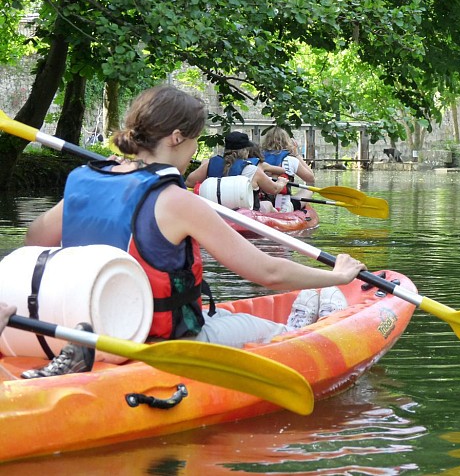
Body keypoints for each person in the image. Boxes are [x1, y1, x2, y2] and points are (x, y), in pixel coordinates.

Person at [21, 85, 365, 378]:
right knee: (284, 335)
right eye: (193, 145)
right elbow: (268, 272)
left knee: (225, 316)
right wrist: (337, 276)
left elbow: (35, 239)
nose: (191, 155)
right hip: (165, 342)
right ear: (176, 138)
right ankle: (301, 320)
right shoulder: (176, 201)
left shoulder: (87, 181)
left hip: (92, 328)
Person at [185, 131, 288, 212]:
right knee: (268, 205)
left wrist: (204, 165)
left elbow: (189, 182)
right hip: (246, 215)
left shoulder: (210, 164)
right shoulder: (252, 169)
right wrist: (281, 182)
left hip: (217, 212)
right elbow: (274, 189)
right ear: (245, 151)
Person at [261, 127, 315, 212]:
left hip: (263, 200)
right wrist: (296, 154)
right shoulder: (290, 159)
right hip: (283, 202)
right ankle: (290, 206)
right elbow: (311, 179)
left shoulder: (259, 159)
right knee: (309, 188)